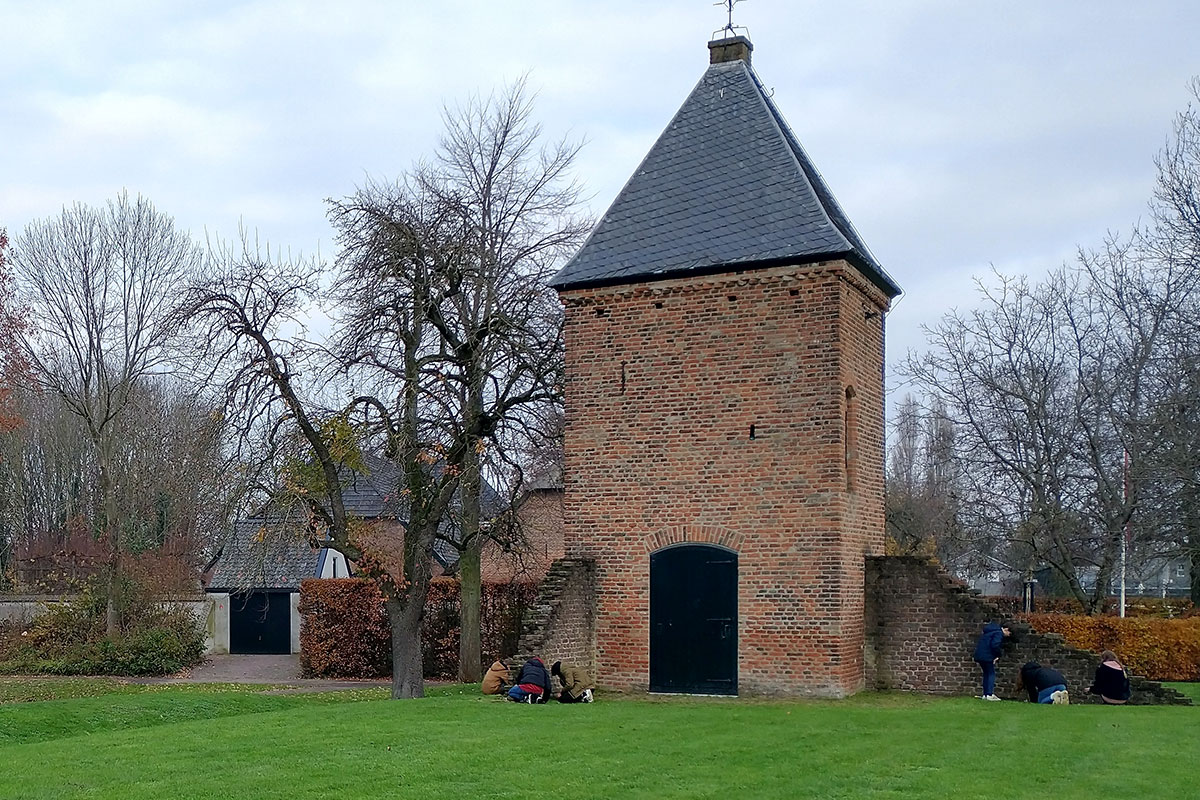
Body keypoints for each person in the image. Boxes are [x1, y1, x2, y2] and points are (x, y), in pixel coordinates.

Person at [973, 620, 1011, 701]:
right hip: (987, 656)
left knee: (986, 674)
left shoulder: (989, 632)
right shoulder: (998, 633)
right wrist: (997, 655)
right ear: (1006, 629)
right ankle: (989, 694)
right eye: (1009, 633)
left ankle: (985, 694)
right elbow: (995, 645)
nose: (1008, 635)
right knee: (991, 674)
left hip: (980, 655)